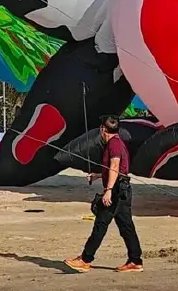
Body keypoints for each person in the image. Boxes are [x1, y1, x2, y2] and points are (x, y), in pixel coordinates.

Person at [65, 117, 143, 273]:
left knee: (101, 224)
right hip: (123, 189)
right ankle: (135, 260)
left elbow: (115, 166)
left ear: (102, 129)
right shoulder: (118, 142)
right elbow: (116, 168)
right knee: (126, 226)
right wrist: (98, 175)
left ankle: (85, 259)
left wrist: (108, 190)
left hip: (117, 190)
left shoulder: (114, 144)